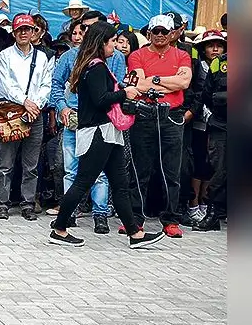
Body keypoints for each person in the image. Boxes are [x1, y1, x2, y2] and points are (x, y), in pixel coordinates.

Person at [47, 22, 166, 249]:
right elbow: (100, 99)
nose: (116, 46)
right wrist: (125, 93)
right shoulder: (96, 67)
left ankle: (135, 233)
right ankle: (59, 228)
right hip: (98, 132)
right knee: (83, 181)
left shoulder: (92, 65)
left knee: (120, 183)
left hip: (108, 132)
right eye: (112, 41)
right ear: (102, 42)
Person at [48, 10, 127, 232]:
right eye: (83, 28)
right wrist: (61, 107)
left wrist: (125, 93)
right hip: (74, 116)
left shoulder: (115, 57)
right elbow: (56, 84)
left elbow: (116, 86)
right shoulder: (70, 56)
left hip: (103, 120)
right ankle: (67, 216)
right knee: (71, 170)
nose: (84, 33)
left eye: (91, 28)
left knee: (103, 174)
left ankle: (101, 214)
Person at [124, 14, 193, 238]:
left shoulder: (182, 55)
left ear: (173, 33)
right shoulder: (137, 55)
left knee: (172, 170)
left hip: (172, 116)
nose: (160, 35)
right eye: (156, 31)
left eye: (165, 31)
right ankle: (135, 219)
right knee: (139, 169)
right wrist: (168, 82)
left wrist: (153, 79)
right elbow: (139, 85)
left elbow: (184, 82)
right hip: (144, 114)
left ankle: (170, 219)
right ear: (149, 33)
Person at [0, 14, 53, 221]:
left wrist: (35, 105)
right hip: (11, 112)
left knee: (31, 164)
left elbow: (46, 85)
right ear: (14, 33)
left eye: (28, 29)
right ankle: (2, 202)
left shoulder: (42, 57)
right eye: (20, 30)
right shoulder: (5, 55)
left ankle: (28, 203)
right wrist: (26, 102)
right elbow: (6, 85)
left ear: (34, 32)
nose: (24, 33)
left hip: (34, 112)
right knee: (6, 163)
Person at [181, 30, 226, 226]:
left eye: (219, 45)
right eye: (210, 45)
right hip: (215, 123)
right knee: (213, 166)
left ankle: (214, 209)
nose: (215, 49)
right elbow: (205, 94)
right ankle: (206, 210)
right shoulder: (215, 64)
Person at [193, 51, 226, 231]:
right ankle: (213, 214)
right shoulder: (219, 63)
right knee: (219, 170)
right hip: (221, 125)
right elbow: (207, 94)